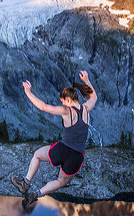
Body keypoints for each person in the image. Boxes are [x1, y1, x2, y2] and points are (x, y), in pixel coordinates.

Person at [11, 70, 97, 207]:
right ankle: (35, 195)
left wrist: (29, 93)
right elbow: (93, 97)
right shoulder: (86, 108)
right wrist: (86, 80)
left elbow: (44, 107)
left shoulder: (67, 110)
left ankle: (25, 184)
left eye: (63, 101)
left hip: (63, 149)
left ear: (67, 100)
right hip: (78, 156)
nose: (62, 104)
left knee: (37, 155)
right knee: (61, 182)